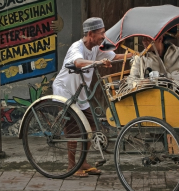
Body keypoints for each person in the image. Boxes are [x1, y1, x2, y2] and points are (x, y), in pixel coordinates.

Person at [52, 17, 132, 177]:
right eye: (101, 33)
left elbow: (113, 56)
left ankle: (83, 162)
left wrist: (133, 56)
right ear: (90, 34)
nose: (104, 36)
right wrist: (98, 63)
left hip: (80, 93)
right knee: (74, 131)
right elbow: (78, 62)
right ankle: (72, 167)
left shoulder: (98, 46)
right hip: (66, 92)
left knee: (91, 128)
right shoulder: (77, 47)